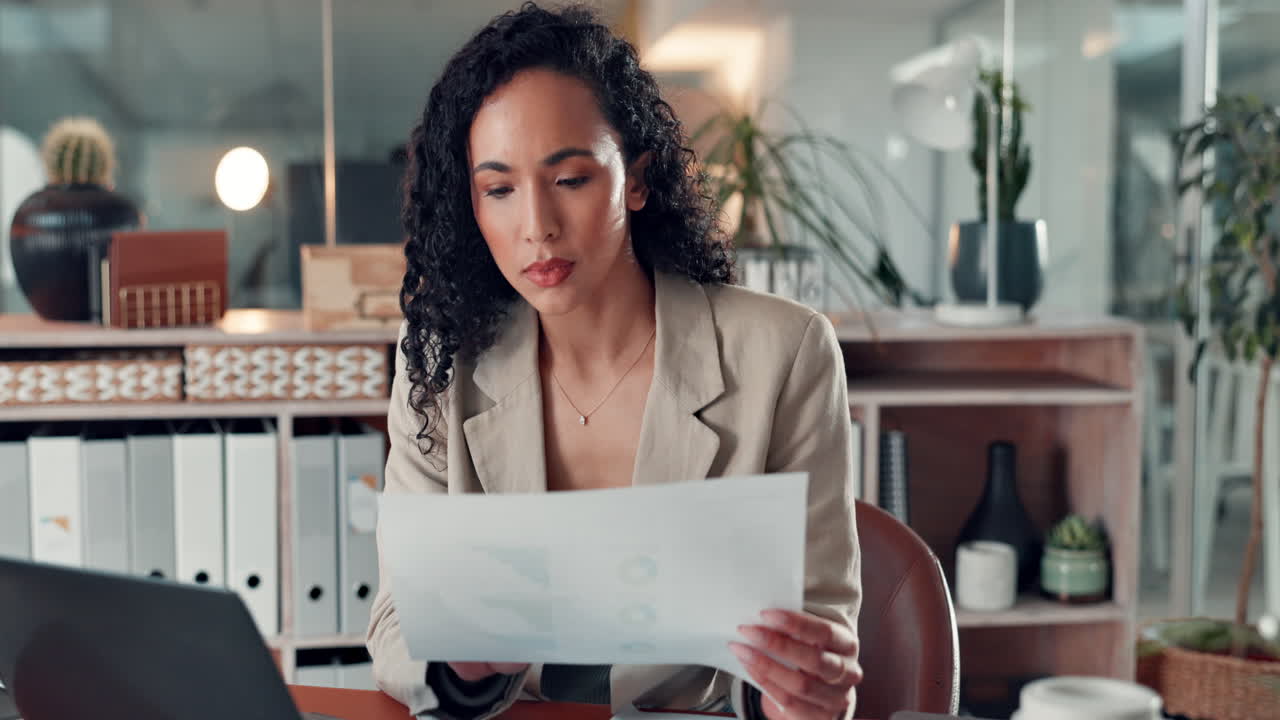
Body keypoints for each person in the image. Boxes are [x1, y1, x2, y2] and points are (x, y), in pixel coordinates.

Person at [366, 4, 862, 719]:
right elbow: (392, 627)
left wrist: (803, 693)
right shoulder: (441, 367)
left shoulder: (783, 353)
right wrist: (463, 661)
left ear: (635, 178)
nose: (536, 226)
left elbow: (815, 635)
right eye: (499, 190)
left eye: (569, 179)